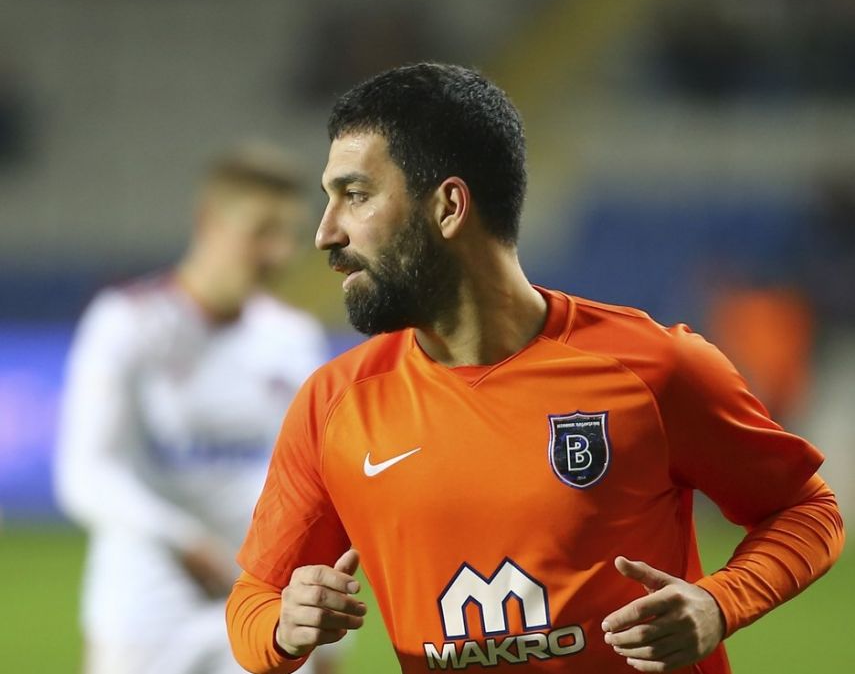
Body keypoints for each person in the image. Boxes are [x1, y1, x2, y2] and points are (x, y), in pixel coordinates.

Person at [225, 64, 845, 674]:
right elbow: (253, 601)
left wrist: (718, 604)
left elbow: (807, 511)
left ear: (449, 206)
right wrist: (284, 626)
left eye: (356, 195)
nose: (325, 233)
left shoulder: (654, 367)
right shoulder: (334, 403)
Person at [56, 144, 345, 674]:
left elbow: (312, 486)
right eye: (262, 232)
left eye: (288, 235)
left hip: (261, 600)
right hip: (147, 607)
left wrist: (327, 642)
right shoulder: (127, 323)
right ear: (209, 222)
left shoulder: (293, 338)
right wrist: (183, 541)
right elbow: (86, 474)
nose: (279, 254)